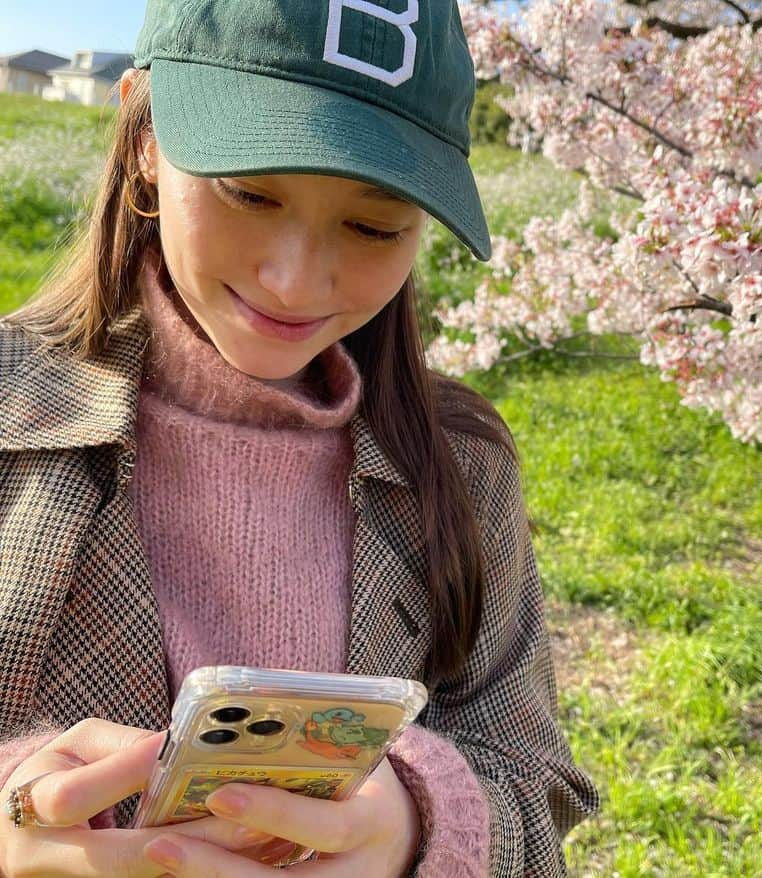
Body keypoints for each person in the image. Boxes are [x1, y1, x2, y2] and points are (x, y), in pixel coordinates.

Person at [0, 1, 598, 875]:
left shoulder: (463, 465)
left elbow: (537, 787)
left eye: (373, 225)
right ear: (142, 137)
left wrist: (422, 822)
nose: (292, 279)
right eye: (248, 189)